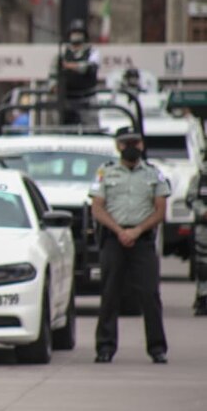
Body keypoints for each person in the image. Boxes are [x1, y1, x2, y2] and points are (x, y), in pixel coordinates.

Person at [89, 126, 169, 364]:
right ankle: (105, 347)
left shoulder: (154, 174)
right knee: (110, 294)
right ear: (118, 146)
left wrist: (136, 231)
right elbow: (97, 208)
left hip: (142, 239)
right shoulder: (106, 172)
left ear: (142, 145)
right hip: (114, 239)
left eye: (136, 142)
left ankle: (157, 348)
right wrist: (120, 231)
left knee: (150, 294)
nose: (131, 147)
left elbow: (160, 210)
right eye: (126, 143)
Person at [51, 18, 100, 126]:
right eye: (74, 33)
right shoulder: (63, 53)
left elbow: (88, 67)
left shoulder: (92, 52)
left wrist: (69, 65)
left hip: (87, 97)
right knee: (62, 128)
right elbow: (53, 72)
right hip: (67, 98)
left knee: (91, 128)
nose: (76, 36)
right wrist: (53, 86)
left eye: (79, 33)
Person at [185, 152, 207, 316]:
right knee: (203, 265)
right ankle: (203, 296)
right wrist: (203, 211)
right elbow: (191, 198)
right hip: (204, 228)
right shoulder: (201, 177)